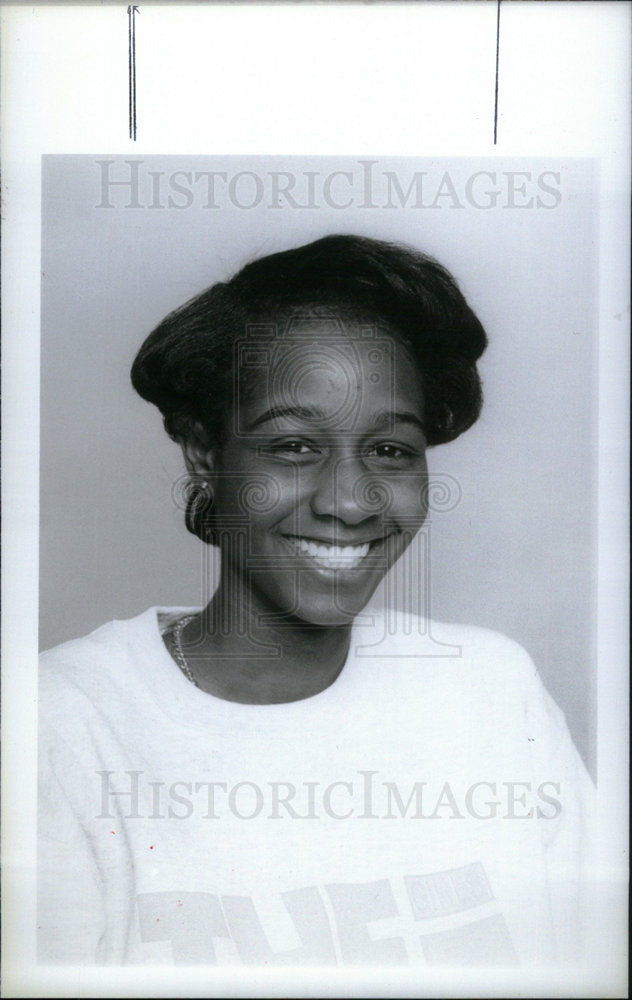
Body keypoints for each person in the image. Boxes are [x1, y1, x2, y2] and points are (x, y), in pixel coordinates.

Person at [38, 234, 595, 968]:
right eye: (295, 446)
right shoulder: (60, 726)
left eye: (391, 450)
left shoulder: (491, 690)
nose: (350, 502)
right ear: (205, 453)